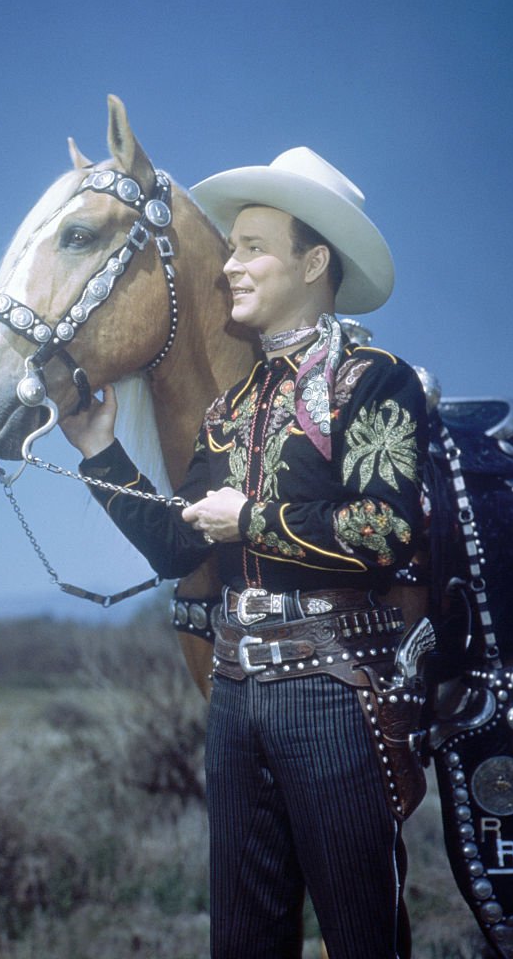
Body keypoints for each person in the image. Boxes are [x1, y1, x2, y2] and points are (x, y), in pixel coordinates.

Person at [60, 147, 430, 959]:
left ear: (315, 261)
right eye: (229, 248)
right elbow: (176, 545)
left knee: (363, 940)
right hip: (234, 698)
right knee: (242, 943)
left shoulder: (377, 383)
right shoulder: (230, 409)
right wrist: (100, 455)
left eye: (252, 247)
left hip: (335, 692)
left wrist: (252, 521)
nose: (229, 266)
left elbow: (386, 530)